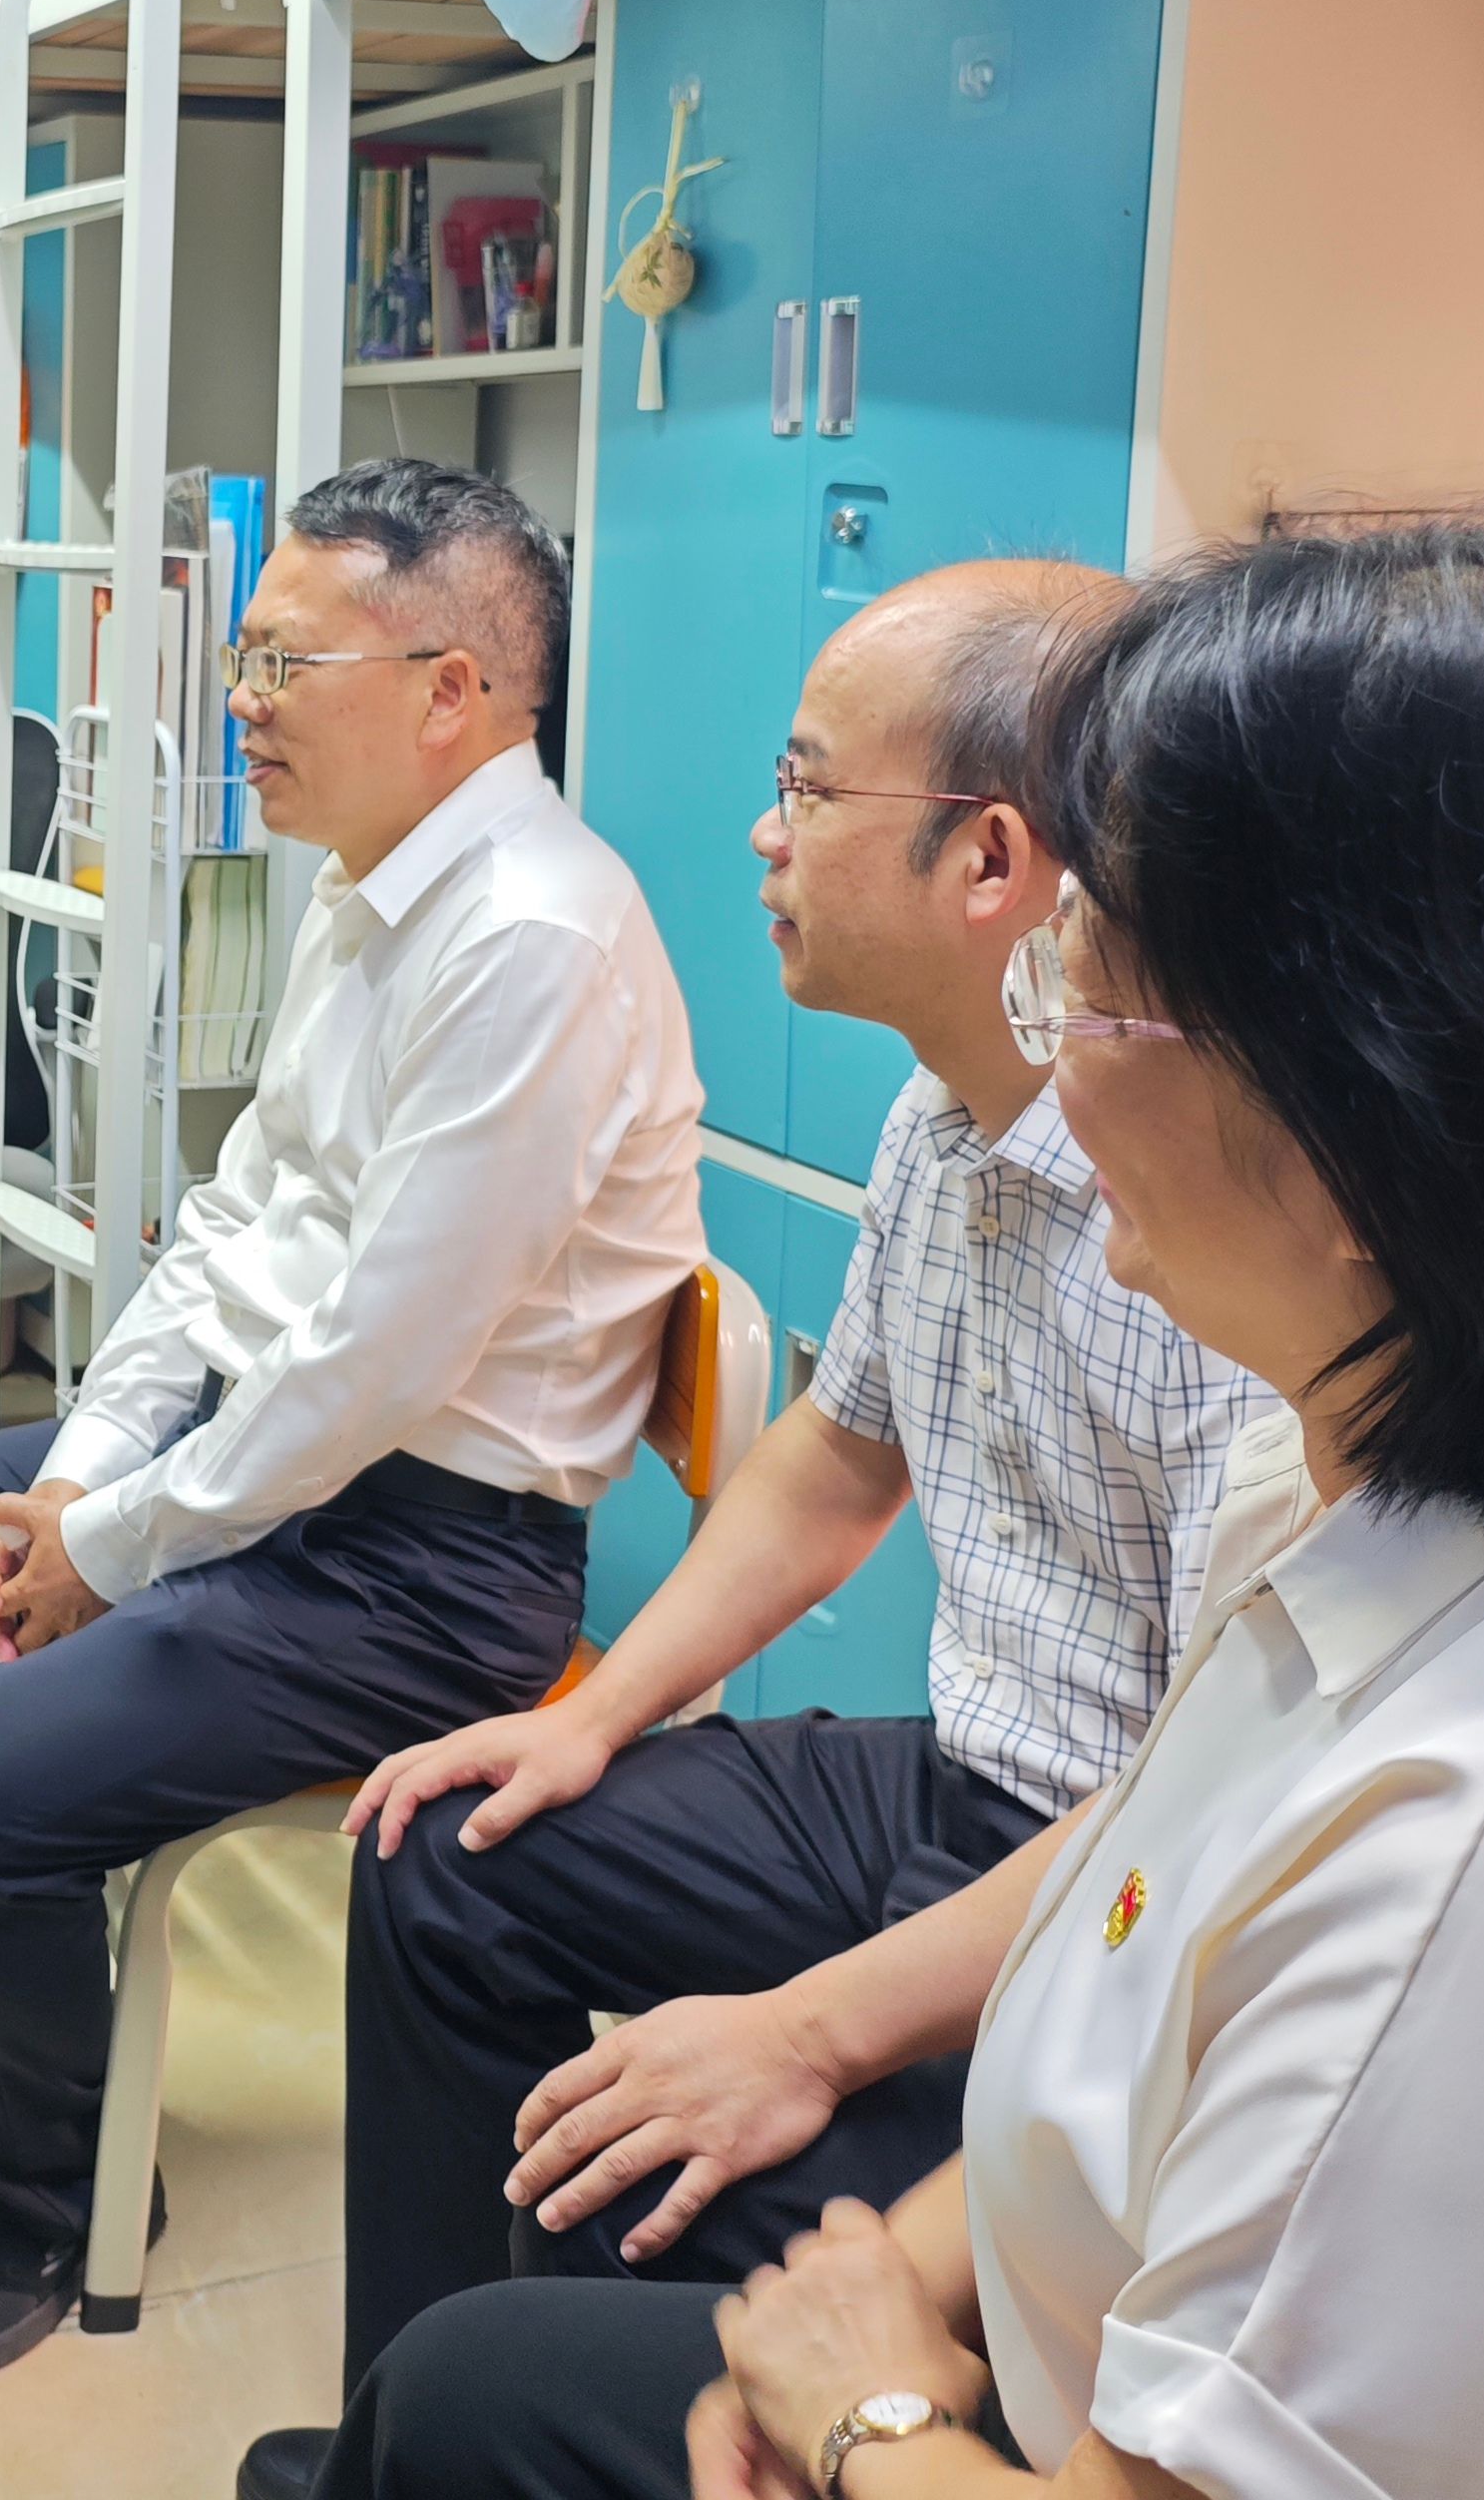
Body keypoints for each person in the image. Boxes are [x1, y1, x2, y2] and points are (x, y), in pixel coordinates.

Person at [320, 511, 1484, 2500]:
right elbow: (1138, 1808)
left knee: (528, 2343)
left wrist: (861, 2402)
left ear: (1371, 1119)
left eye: (1094, 988)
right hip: (1032, 2085)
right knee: (470, 2342)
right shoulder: (1450, 1432)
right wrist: (896, 2267)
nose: (1062, 1060)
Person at [237, 564, 1272, 2498]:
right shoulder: (937, 1122)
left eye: (805, 787)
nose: (759, 833)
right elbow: (832, 1459)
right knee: (449, 1849)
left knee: (627, 2189)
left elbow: (1197, 1816)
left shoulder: (1214, 1233)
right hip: (955, 1781)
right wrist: (588, 1715)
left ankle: (491, 2406)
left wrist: (803, 2034)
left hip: (1112, 1885)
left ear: (991, 861)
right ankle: (409, 2429)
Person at [0, 458, 709, 2385]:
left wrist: (112, 1551)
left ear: (450, 690)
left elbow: (374, 1359)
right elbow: (230, 1232)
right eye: (247, 658)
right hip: (292, 1474)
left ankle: (42, 2194)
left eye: (284, 660)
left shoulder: (531, 936)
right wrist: (78, 1476)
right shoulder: (366, 893)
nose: (241, 699)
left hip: (429, 1569)